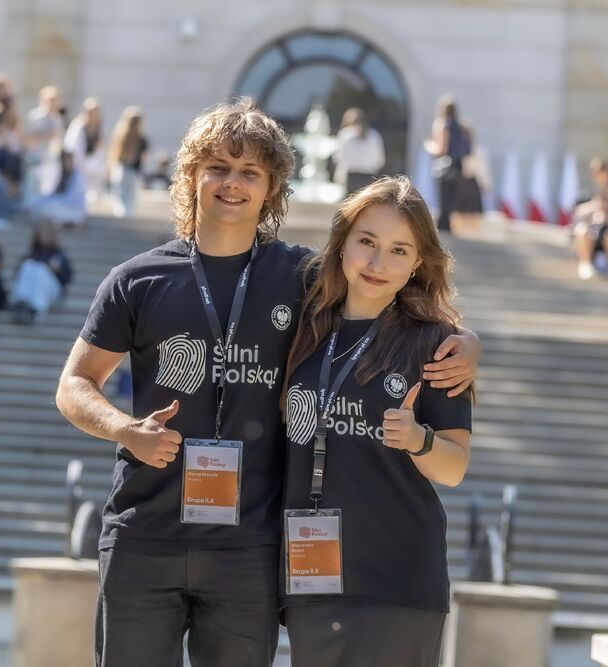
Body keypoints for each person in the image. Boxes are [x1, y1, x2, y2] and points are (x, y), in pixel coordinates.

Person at [54, 98, 481, 667]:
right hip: (143, 535)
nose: (233, 183)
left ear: (272, 187)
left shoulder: (302, 277)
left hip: (248, 549)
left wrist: (465, 341)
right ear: (191, 175)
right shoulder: (136, 280)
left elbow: (385, 285)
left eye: (250, 172)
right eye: (219, 167)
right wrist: (124, 428)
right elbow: (74, 385)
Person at [280, 175, 472, 667]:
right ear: (342, 242)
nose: (377, 263)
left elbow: (453, 468)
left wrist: (418, 440)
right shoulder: (302, 325)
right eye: (367, 241)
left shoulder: (436, 346)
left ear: (416, 265)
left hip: (398, 584)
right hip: (313, 583)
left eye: (398, 251)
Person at [424, 96, 475, 233]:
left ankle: (443, 228)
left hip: (444, 166)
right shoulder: (461, 126)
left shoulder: (442, 124)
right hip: (458, 166)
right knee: (451, 200)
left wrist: (428, 145)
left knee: (443, 199)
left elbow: (442, 149)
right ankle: (447, 227)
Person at [10, 222, 74, 324]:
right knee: (28, 265)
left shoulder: (60, 255)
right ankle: (21, 305)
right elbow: (17, 276)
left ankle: (35, 310)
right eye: (41, 234)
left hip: (53, 292)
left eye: (47, 234)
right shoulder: (30, 255)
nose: (44, 237)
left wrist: (57, 270)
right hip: (29, 292)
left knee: (41, 270)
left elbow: (67, 280)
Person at [23, 150, 87, 227]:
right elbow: (56, 193)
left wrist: (53, 201)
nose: (66, 163)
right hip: (61, 205)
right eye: (64, 161)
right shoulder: (64, 174)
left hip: (72, 210)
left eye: (68, 161)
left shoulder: (77, 176)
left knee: (47, 210)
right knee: (36, 202)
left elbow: (72, 200)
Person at [23, 85, 65, 198]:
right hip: (36, 159)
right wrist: (46, 136)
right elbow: (27, 140)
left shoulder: (57, 119)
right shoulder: (35, 117)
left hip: (50, 159)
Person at [107, 106, 148, 218]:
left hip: (120, 170)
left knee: (120, 200)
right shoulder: (141, 139)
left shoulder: (120, 136)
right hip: (133, 172)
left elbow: (114, 155)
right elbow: (143, 158)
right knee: (130, 201)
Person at [572, 189, 608, 280]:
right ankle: (586, 264)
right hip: (589, 248)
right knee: (582, 230)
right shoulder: (586, 213)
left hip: (605, 252)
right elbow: (575, 227)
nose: (602, 204)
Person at [334, 107, 385, 195]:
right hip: (370, 178)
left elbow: (339, 158)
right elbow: (380, 161)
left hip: (350, 178)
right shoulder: (375, 135)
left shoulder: (345, 134)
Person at [64, 97, 105, 203]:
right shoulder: (78, 126)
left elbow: (100, 148)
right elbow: (72, 146)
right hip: (79, 164)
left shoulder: (98, 127)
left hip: (93, 164)